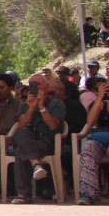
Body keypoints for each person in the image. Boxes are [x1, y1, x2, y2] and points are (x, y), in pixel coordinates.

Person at [10, 74, 66, 204]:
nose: (36, 88)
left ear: (46, 86)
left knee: (20, 150)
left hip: (46, 142)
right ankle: (35, 164)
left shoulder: (57, 104)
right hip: (29, 140)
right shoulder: (25, 105)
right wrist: (32, 107)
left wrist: (41, 106)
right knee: (22, 133)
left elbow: (52, 125)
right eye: (33, 85)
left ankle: (23, 194)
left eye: (39, 84)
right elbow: (22, 124)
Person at [77, 81, 109, 205]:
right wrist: (100, 97)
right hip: (100, 139)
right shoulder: (100, 104)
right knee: (88, 148)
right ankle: (87, 194)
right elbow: (90, 122)